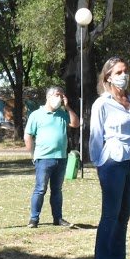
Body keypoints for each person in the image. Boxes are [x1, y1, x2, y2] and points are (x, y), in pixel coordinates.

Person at [88, 56, 130, 259]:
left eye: (126, 71)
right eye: (119, 72)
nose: (124, 75)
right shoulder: (102, 104)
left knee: (124, 217)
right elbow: (95, 136)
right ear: (108, 77)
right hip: (112, 161)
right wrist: (100, 163)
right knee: (110, 217)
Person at [24, 86, 79, 228]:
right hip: (43, 158)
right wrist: (33, 155)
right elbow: (28, 136)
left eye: (61, 96)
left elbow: (75, 123)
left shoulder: (62, 114)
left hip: (61, 158)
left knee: (57, 190)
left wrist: (67, 107)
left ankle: (58, 218)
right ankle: (34, 219)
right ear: (48, 97)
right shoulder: (36, 115)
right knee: (40, 189)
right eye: (56, 95)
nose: (59, 98)